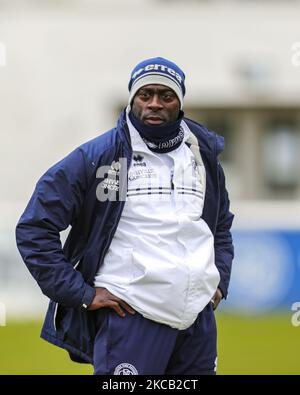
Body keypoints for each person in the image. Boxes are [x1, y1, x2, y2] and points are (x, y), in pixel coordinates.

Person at [16, 57, 234, 375]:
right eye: (146, 95)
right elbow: (34, 227)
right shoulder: (100, 157)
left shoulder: (202, 155)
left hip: (197, 321)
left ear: (180, 103)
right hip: (132, 316)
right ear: (132, 99)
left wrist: (219, 281)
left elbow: (221, 225)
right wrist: (80, 294)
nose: (155, 104)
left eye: (166, 95)